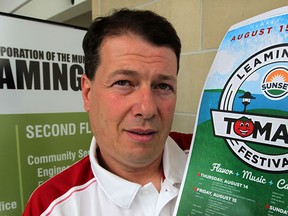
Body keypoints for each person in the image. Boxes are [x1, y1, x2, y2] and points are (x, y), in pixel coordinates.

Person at [23, 8, 192, 216]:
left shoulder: (218, 158)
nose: (147, 109)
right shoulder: (52, 207)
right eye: (123, 82)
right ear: (87, 93)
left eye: (163, 86)